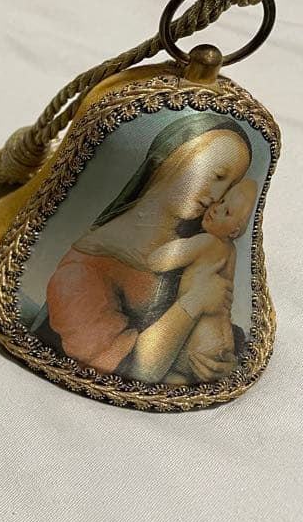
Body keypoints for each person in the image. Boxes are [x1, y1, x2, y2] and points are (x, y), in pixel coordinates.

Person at [32, 113, 255, 384]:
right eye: (217, 174)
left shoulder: (197, 244)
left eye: (229, 187)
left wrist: (218, 359)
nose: (218, 197)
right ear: (173, 159)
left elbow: (212, 323)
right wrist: (194, 301)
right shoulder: (81, 272)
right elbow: (134, 370)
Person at [148, 178, 258, 384]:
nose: (216, 209)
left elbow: (156, 261)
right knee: (183, 379)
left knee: (174, 375)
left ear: (234, 231)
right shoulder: (231, 251)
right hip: (221, 341)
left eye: (227, 212)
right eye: (222, 201)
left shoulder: (207, 242)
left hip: (199, 341)